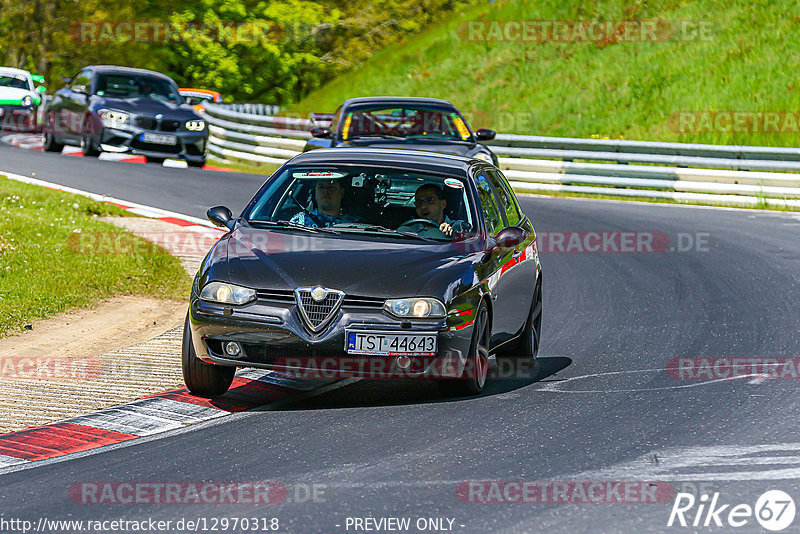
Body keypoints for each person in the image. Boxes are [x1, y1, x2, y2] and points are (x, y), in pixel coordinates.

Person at [397, 184, 469, 239]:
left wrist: (452, 234)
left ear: (443, 204)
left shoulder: (458, 226)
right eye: (419, 202)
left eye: (429, 200)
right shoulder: (409, 229)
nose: (423, 206)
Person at [290, 178, 362, 227]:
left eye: (331, 187)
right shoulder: (301, 220)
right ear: (315, 192)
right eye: (321, 187)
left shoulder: (355, 223)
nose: (325, 191)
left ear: (342, 192)